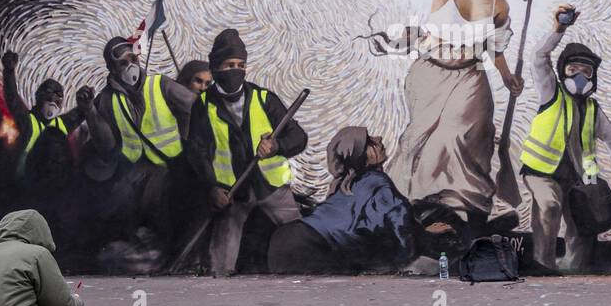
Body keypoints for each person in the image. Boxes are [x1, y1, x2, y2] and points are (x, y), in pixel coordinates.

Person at [383, 0, 524, 226]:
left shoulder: (498, 5)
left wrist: (507, 77)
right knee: (423, 143)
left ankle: (463, 215)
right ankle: (427, 215)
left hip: (471, 81)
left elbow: (495, 48)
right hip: (430, 77)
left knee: (461, 141)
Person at [520, 5, 611, 271]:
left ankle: (574, 268)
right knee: (549, 207)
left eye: (586, 72)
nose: (579, 75)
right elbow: (539, 57)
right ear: (563, 72)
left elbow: (610, 136)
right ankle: (544, 264)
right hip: (541, 171)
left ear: (592, 78)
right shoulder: (551, 94)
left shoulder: (593, 109)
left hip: (578, 176)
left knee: (583, 223)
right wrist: (559, 29)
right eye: (573, 69)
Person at [183, 28, 308, 275]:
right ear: (215, 67)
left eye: (241, 64)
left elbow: (298, 137)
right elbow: (197, 152)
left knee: (299, 240)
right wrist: (212, 187)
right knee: (220, 263)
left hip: (272, 187)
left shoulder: (264, 99)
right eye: (229, 65)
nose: (236, 71)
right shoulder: (203, 105)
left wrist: (276, 147)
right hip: (233, 193)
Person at [80, 35, 195, 264]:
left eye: (133, 59)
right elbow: (107, 145)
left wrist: (189, 136)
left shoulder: (160, 85)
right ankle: (138, 247)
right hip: (136, 167)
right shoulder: (106, 99)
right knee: (118, 198)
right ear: (112, 68)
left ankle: (168, 252)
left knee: (162, 198)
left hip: (174, 163)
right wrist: (90, 112)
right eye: (123, 62)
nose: (131, 65)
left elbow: (198, 109)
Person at [268, 126, 416, 273]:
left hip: (285, 238)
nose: (379, 138)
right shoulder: (377, 181)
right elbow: (400, 219)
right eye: (369, 141)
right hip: (311, 245)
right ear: (361, 157)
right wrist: (406, 257)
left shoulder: (342, 186)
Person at [1, 50, 84, 179]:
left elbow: (85, 109)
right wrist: (9, 71)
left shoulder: (60, 123)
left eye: (58, 100)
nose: (53, 104)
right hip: (26, 182)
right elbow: (12, 98)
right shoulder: (28, 120)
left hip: (52, 184)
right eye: (49, 97)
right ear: (40, 97)